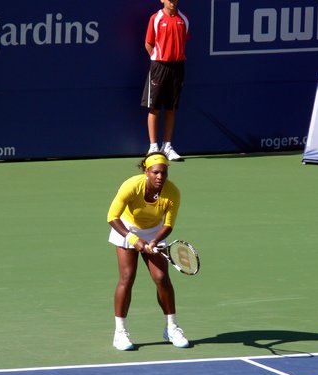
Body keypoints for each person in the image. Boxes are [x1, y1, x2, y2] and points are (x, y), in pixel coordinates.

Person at [107, 152, 189, 350]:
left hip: (155, 230)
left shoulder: (173, 192)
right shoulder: (131, 186)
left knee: (161, 277)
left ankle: (172, 327)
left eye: (164, 172)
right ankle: (120, 333)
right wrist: (134, 239)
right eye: (156, 172)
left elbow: (168, 225)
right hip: (126, 227)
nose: (160, 177)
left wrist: (154, 241)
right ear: (147, 171)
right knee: (127, 277)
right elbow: (112, 216)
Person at [141, 0, 190, 161]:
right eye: (170, 0)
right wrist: (157, 58)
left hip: (177, 67)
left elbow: (184, 41)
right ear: (162, 0)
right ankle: (153, 147)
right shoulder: (155, 18)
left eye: (175, 0)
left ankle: (167, 146)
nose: (173, 2)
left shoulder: (184, 19)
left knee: (171, 108)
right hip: (159, 67)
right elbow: (148, 43)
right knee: (154, 107)